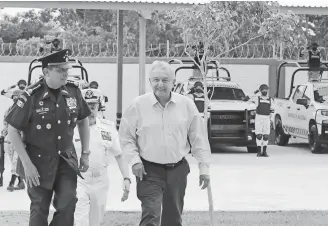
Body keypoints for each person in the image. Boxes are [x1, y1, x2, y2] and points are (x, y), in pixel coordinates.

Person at [119, 60, 211, 226]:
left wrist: (204, 168)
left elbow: (199, 138)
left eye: (165, 80)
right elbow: (126, 137)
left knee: (173, 219)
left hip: (177, 170)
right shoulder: (138, 105)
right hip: (148, 170)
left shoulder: (186, 105)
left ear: (173, 82)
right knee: (151, 215)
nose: (160, 84)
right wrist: (134, 161)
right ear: (150, 81)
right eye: (155, 80)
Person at [5, 49, 91, 226]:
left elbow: (83, 120)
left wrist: (85, 153)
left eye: (67, 70)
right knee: (39, 209)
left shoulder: (73, 91)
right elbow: (12, 131)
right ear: (45, 72)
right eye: (60, 70)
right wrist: (27, 165)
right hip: (37, 162)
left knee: (68, 204)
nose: (65, 74)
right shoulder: (30, 96)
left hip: (66, 160)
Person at [74, 88, 131, 226]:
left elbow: (119, 155)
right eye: (86, 106)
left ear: (99, 106)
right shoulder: (71, 128)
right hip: (79, 181)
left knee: (96, 222)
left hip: (100, 182)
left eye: (93, 106)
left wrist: (126, 178)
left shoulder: (108, 128)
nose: (90, 110)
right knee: (80, 220)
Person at [1, 89, 26, 191]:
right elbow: (6, 124)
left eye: (17, 96)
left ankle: (11, 183)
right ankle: (21, 182)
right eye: (14, 96)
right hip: (9, 140)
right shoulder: (9, 110)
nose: (15, 98)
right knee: (13, 161)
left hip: (20, 139)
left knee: (16, 160)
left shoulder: (24, 109)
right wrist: (3, 134)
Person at [254, 84, 273, 157]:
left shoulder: (270, 99)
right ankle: (259, 152)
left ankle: (264, 152)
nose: (264, 91)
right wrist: (254, 93)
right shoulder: (257, 99)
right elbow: (246, 99)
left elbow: (272, 110)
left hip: (267, 118)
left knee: (265, 136)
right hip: (259, 118)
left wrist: (271, 120)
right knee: (259, 135)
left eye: (266, 90)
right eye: (263, 90)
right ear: (260, 90)